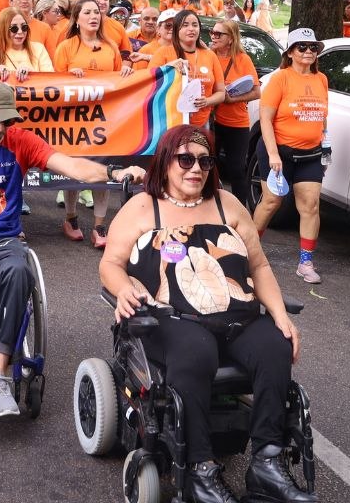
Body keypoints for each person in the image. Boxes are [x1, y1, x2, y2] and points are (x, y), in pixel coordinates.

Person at [99, 125, 309, 503]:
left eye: (204, 160)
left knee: (275, 346)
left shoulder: (229, 204)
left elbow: (259, 266)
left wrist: (280, 316)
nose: (195, 168)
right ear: (165, 163)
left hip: (236, 316)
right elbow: (110, 264)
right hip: (171, 321)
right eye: (185, 160)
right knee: (196, 351)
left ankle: (266, 463)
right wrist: (124, 289)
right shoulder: (142, 208)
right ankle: (199, 470)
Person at [0, 80, 145, 418]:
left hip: (3, 239)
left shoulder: (20, 141)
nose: (1, 129)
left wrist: (116, 170)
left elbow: (73, 166)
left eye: (6, 121)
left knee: (18, 271)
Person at [52, 0, 134, 247]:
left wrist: (126, 74)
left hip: (105, 121)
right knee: (75, 169)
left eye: (97, 12)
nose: (93, 16)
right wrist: (69, 77)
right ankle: (71, 217)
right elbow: (52, 85)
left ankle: (99, 225)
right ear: (76, 18)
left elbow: (121, 82)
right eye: (87, 12)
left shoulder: (110, 47)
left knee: (104, 169)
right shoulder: (66, 47)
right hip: (74, 121)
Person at [253, 28, 328, 285]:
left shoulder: (321, 80)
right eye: (302, 47)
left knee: (310, 206)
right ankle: (249, 252)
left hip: (310, 153)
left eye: (313, 47)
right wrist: (273, 154)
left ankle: (305, 262)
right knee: (272, 202)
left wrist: (325, 144)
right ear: (290, 52)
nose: (308, 52)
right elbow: (265, 118)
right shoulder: (280, 79)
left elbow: (322, 116)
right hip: (279, 152)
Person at [209, 19, 261, 208]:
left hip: (236, 122)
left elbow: (257, 92)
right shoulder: (209, 55)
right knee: (208, 165)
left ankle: (240, 210)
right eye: (212, 33)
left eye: (218, 34)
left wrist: (231, 99)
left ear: (231, 38)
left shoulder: (242, 59)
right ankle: (211, 206)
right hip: (212, 120)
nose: (213, 37)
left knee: (236, 168)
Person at [149, 10, 226, 129]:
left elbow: (221, 93)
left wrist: (207, 101)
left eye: (195, 25)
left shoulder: (210, 55)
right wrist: (169, 67)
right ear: (176, 30)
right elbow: (149, 85)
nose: (191, 29)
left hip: (201, 125)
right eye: (185, 25)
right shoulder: (163, 53)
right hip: (169, 124)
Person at [0, 6, 54, 81]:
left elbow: (50, 80)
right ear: (3, 29)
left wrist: (32, 74)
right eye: (14, 28)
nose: (20, 32)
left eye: (24, 27)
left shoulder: (39, 48)